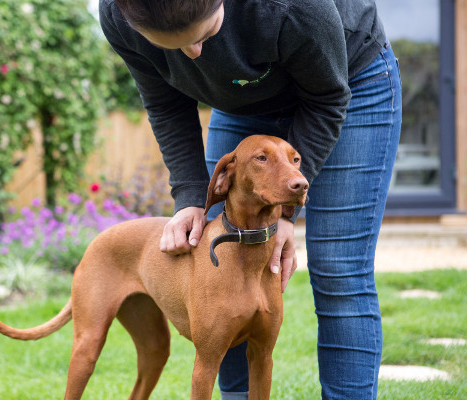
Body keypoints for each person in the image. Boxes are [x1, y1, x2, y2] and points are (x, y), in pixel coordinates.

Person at [99, 0, 402, 398]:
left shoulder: (292, 8)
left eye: (205, 35)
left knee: (338, 268)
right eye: (172, 47)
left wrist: (284, 214)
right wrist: (191, 196)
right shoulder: (119, 14)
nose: (193, 54)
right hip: (239, 100)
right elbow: (164, 102)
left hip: (347, 84)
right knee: (221, 269)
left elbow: (327, 100)